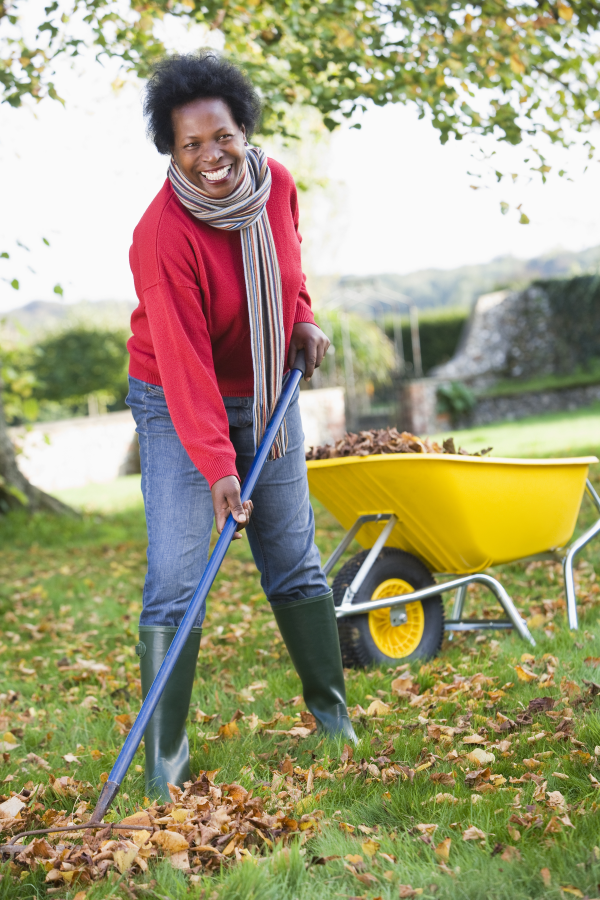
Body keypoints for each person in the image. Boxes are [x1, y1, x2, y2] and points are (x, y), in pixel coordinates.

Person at [126, 52, 357, 801]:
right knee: (176, 579)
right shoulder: (161, 235)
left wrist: (304, 318)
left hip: (265, 388)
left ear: (242, 129)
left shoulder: (276, 183)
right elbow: (188, 368)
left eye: (220, 136)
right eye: (189, 145)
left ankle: (333, 718)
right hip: (175, 401)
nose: (210, 156)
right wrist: (220, 469)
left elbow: (287, 268)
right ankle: (165, 767)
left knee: (294, 558)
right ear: (171, 150)